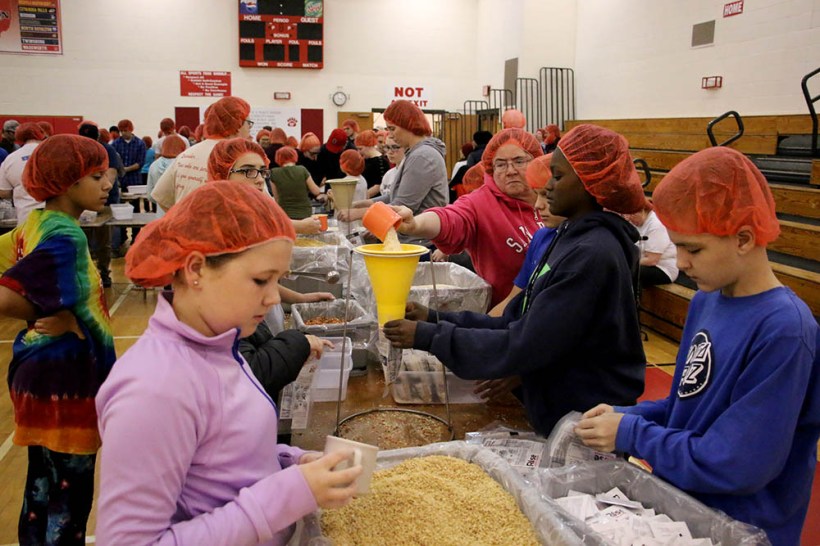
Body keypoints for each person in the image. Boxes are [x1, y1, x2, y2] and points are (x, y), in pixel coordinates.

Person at [576, 146, 820, 546]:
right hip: (684, 510)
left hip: (741, 528)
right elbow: (691, 405)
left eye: (693, 248)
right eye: (677, 245)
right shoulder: (708, 299)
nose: (682, 262)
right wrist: (628, 414)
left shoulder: (785, 330)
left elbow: (737, 464)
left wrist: (634, 433)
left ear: (743, 238)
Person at [95, 181, 361, 545]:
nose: (272, 299)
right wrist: (286, 495)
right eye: (260, 280)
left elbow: (224, 456)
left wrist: (290, 462)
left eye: (277, 281)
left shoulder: (219, 344)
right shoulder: (155, 390)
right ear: (195, 270)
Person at [383, 124, 648, 437]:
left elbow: (527, 342)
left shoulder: (592, 254)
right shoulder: (561, 238)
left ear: (592, 185)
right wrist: (435, 318)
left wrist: (429, 336)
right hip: (552, 405)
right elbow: (515, 319)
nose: (546, 187)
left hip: (584, 421)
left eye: (558, 177)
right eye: (500, 164)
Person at [0, 135, 115, 544]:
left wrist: (55, 309)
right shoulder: (67, 236)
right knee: (69, 499)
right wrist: (42, 310)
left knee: (41, 490)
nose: (108, 184)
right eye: (97, 175)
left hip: (36, 378)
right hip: (66, 383)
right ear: (67, 181)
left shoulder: (34, 223)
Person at [393, 129, 546, 308]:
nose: (510, 171)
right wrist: (416, 224)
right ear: (491, 168)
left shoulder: (552, 196)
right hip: (509, 318)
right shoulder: (481, 202)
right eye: (501, 164)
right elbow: (451, 218)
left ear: (536, 162)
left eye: (519, 161)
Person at [336, 100, 447, 248]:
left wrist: (359, 213)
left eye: (393, 129)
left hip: (420, 243)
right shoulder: (415, 153)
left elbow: (402, 205)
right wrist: (361, 204)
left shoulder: (422, 156)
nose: (391, 135)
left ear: (409, 125)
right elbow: (394, 195)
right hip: (414, 240)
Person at [486, 153, 564, 317]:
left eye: (546, 195)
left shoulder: (587, 249)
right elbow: (512, 302)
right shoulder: (541, 237)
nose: (537, 205)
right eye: (537, 195)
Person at [152, 96, 252, 210]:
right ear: (238, 124)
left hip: (187, 226)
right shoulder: (241, 158)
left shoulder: (186, 155)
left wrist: (180, 219)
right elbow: (265, 205)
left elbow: (161, 197)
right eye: (249, 123)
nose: (249, 128)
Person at [78, 121, 124, 286]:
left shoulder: (107, 150)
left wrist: (94, 193)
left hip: (103, 201)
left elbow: (110, 176)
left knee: (102, 239)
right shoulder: (80, 151)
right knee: (85, 239)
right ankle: (88, 273)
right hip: (86, 201)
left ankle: (103, 273)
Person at [0, 122, 47, 224]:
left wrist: (21, 190)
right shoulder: (52, 154)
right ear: (41, 134)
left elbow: (3, 193)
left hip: (25, 217)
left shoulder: (10, 159)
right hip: (54, 217)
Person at [625, 203, 679, 286]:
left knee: (627, 272)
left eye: (632, 214)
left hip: (662, 268)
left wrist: (626, 263)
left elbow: (652, 260)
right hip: (642, 262)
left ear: (642, 211)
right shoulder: (635, 221)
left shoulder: (656, 225)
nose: (629, 218)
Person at [269, 145, 326, 219]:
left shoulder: (274, 173)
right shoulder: (302, 170)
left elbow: (277, 198)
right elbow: (316, 191)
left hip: (285, 214)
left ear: (278, 158)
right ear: (295, 156)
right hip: (304, 213)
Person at [146, 134, 187, 219]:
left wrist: (161, 201)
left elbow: (150, 195)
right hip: (182, 215)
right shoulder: (185, 164)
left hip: (161, 216)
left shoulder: (154, 165)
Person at [355, 130, 390, 197]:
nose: (359, 152)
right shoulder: (365, 160)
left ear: (369, 146)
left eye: (360, 149)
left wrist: (362, 197)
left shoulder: (381, 162)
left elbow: (378, 186)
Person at [379, 134, 405, 202]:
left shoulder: (409, 172)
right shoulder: (388, 174)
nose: (390, 152)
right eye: (387, 147)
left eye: (395, 147)